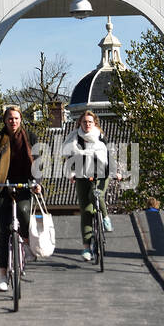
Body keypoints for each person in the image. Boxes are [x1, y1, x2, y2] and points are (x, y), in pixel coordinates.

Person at [0, 105, 38, 292]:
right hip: (2, 184)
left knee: (24, 213)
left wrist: (37, 182)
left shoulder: (30, 137)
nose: (13, 121)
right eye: (10, 118)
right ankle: (2, 277)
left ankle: (25, 242)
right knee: (3, 231)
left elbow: (36, 163)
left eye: (16, 118)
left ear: (20, 119)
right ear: (5, 120)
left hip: (23, 183)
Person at [62, 110, 110, 262]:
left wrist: (115, 172)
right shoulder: (73, 138)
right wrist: (71, 173)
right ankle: (86, 248)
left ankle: (105, 217)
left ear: (94, 123)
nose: (87, 124)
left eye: (90, 122)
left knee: (95, 195)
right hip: (81, 174)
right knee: (86, 210)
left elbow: (109, 156)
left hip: (101, 173)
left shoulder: (100, 137)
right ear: (80, 123)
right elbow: (69, 157)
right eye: (84, 122)